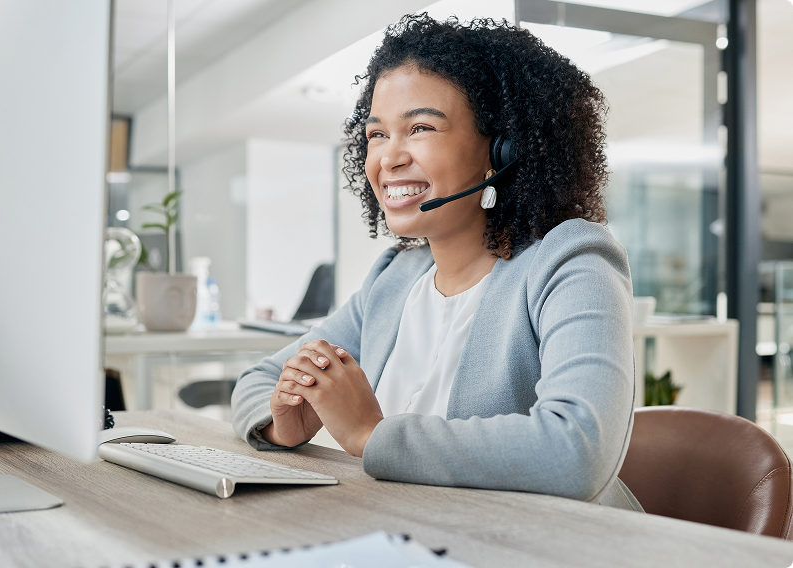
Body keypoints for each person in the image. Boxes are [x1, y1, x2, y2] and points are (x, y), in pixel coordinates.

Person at [232, 14, 641, 510]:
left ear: (502, 150)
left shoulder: (572, 261)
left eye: (420, 127)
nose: (389, 158)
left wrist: (370, 434)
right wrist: (282, 421)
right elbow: (258, 380)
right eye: (377, 134)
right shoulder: (395, 278)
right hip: (413, 534)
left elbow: (576, 451)